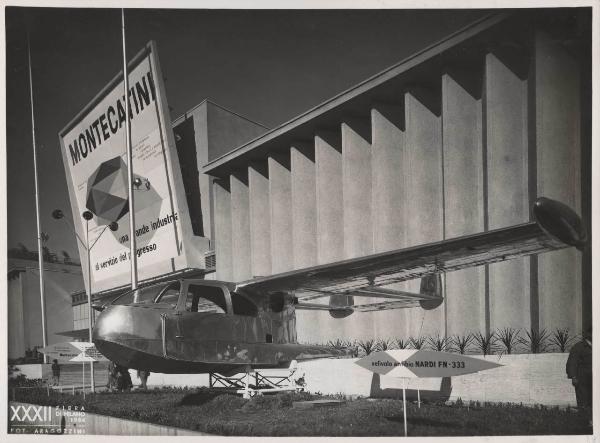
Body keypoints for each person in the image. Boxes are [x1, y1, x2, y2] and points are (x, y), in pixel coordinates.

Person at [566, 326, 592, 425]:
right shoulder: (579, 347)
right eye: (592, 333)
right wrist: (573, 377)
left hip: (595, 380)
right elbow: (572, 363)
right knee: (583, 401)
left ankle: (593, 421)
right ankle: (583, 422)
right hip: (582, 380)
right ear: (588, 334)